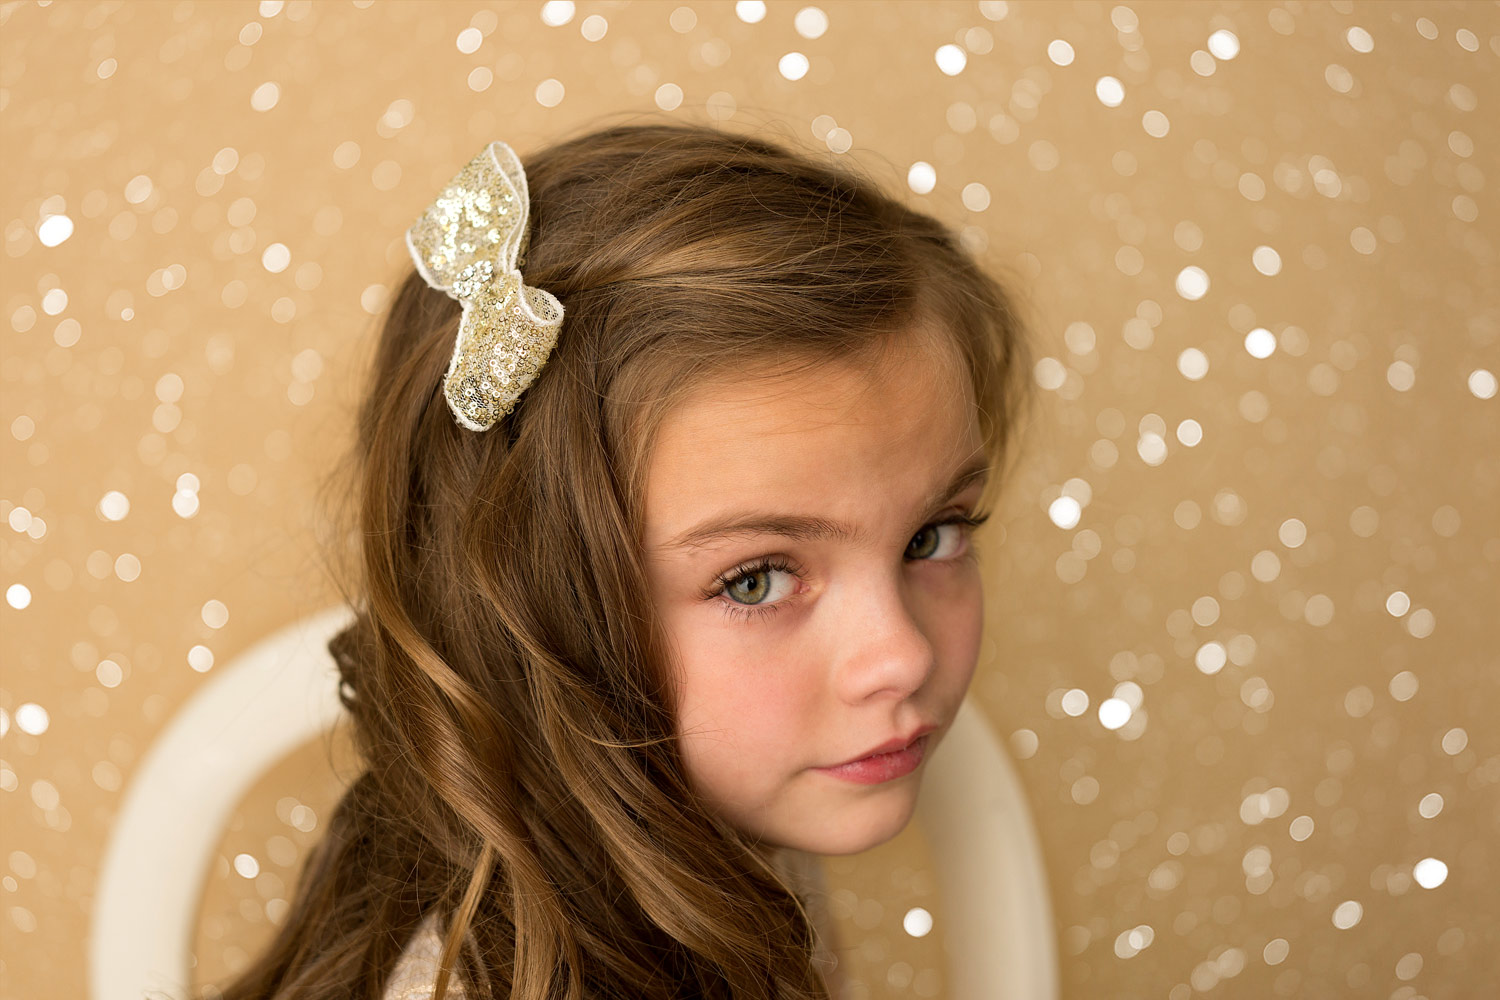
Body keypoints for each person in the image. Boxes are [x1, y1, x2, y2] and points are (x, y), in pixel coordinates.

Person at [209, 119, 1035, 1000]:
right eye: (755, 580)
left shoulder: (730, 838)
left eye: (932, 536)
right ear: (532, 613)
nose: (902, 656)